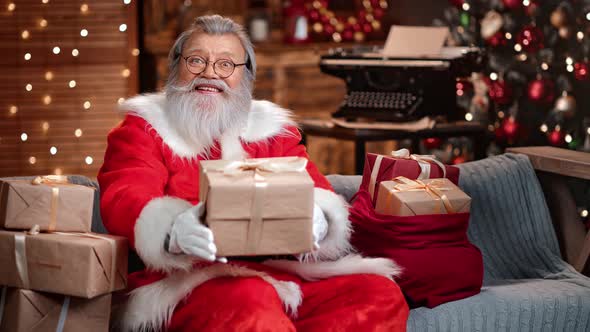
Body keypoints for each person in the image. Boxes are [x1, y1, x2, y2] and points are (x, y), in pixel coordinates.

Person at [98, 15, 409, 332]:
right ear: (175, 67)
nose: (209, 73)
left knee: (377, 293)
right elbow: (124, 193)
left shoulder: (273, 130)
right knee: (251, 301)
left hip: (282, 273)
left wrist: (319, 217)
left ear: (245, 77)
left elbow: (312, 184)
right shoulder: (144, 128)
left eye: (226, 65)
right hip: (185, 283)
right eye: (196, 60)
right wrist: (172, 229)